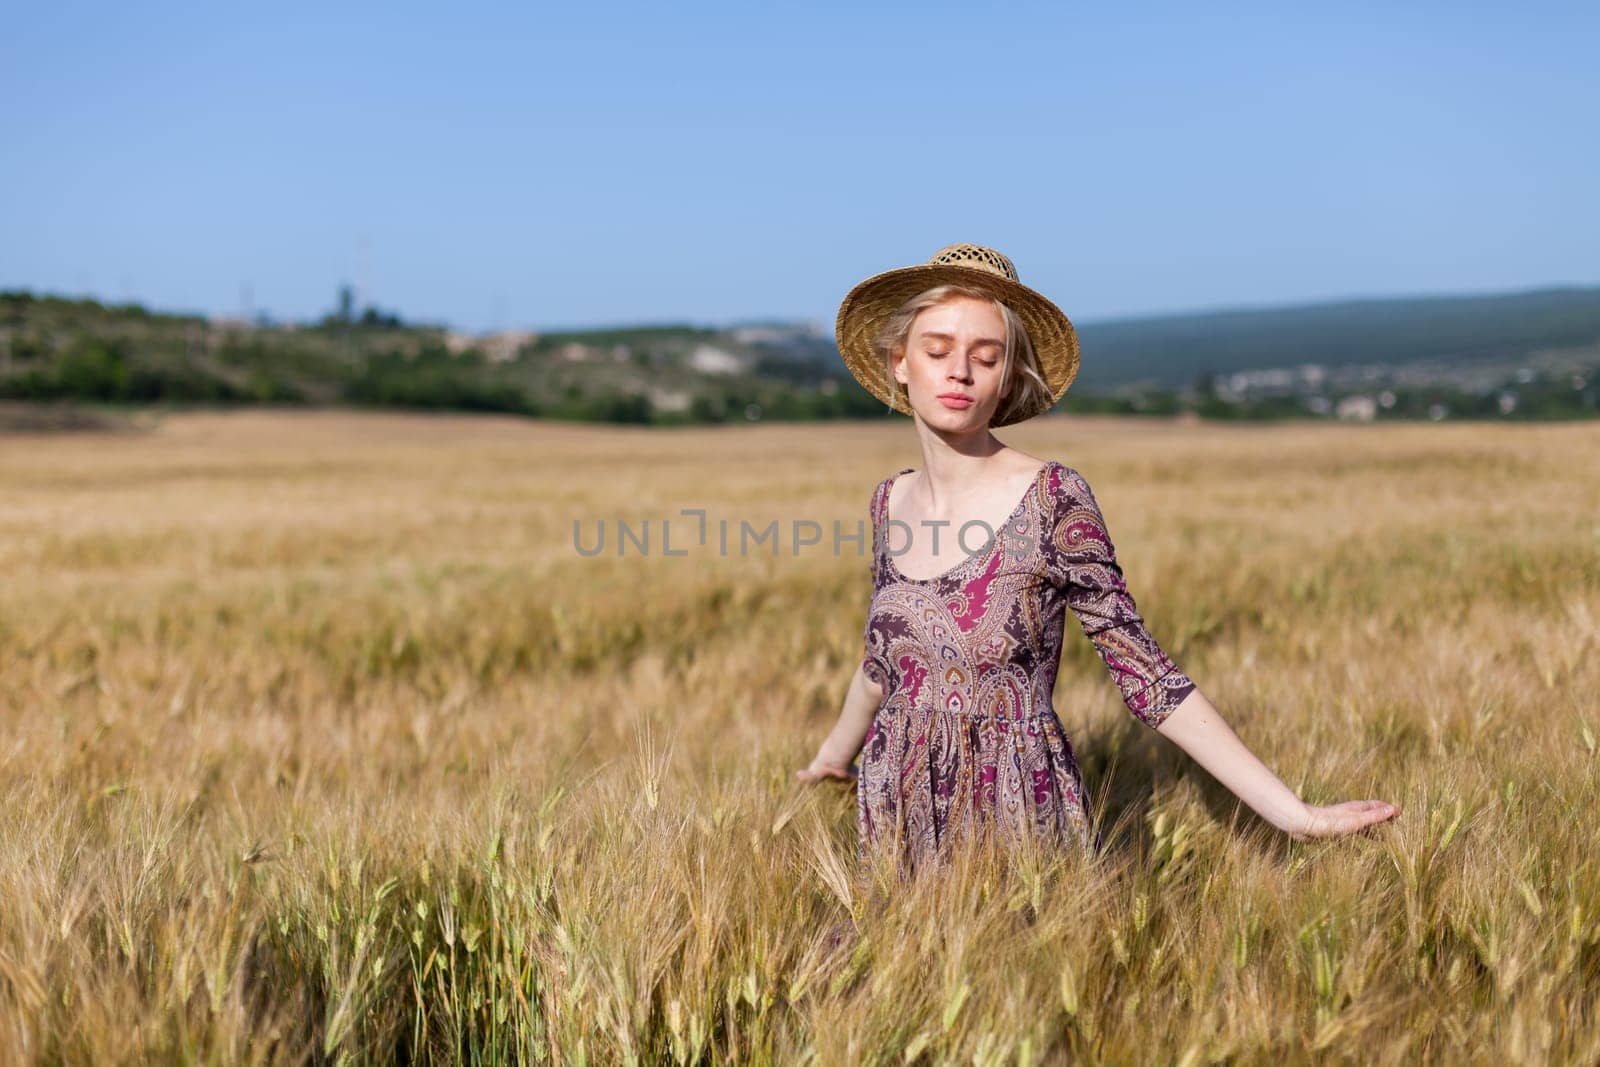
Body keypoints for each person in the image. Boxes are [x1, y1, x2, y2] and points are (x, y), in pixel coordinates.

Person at [795, 243, 1400, 880]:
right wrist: (833, 758)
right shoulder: (889, 501)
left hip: (1013, 820)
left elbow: (1144, 672)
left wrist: (1294, 814)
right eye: (937, 350)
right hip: (893, 809)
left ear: (1007, 377)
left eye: (986, 357)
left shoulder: (1053, 497)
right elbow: (884, 661)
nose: (960, 374)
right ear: (900, 363)